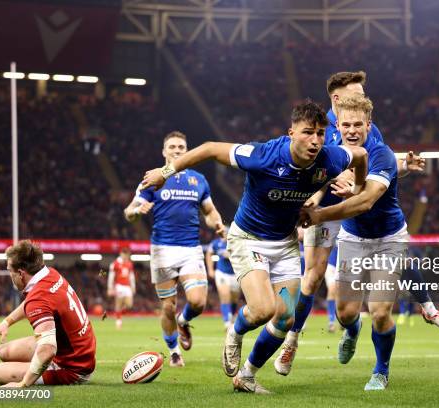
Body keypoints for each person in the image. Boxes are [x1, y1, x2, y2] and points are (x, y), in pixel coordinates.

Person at [141, 100, 368, 394]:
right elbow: (210, 148)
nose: (315, 141)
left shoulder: (330, 158)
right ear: (291, 133)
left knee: (286, 318)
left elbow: (360, 156)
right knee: (262, 310)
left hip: (285, 242)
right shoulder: (263, 155)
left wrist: (357, 190)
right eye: (307, 133)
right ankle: (235, 332)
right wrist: (165, 171)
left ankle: (247, 376)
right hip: (248, 238)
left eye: (321, 134)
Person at [275, 71, 439, 376]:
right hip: (328, 208)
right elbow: (308, 166)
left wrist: (402, 166)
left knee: (391, 248)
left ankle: (426, 310)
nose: (362, 98)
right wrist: (314, 195)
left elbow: (380, 170)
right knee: (311, 277)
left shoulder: (370, 132)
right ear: (337, 99)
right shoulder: (319, 129)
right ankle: (292, 341)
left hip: (356, 210)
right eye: (357, 94)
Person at [298, 94, 416, 390]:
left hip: (389, 239)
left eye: (358, 125)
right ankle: (352, 331)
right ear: (338, 125)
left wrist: (318, 215)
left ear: (369, 125)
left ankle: (380, 370)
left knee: (379, 311)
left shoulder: (382, 155)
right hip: (353, 239)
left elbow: (364, 202)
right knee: (346, 314)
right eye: (346, 125)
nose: (352, 131)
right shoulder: (332, 154)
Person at [124, 130, 225, 367]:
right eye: (172, 147)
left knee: (198, 302)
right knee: (168, 307)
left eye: (181, 147)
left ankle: (184, 321)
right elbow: (130, 210)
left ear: (186, 151)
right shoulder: (153, 178)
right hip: (162, 250)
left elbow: (209, 211)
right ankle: (174, 352)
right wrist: (136, 212)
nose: (177, 151)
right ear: (164, 151)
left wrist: (218, 223)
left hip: (191, 249)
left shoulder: (198, 180)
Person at [0, 240, 96, 386]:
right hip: (79, 350)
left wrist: (23, 384)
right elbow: (33, 302)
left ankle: (46, 370)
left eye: (10, 271)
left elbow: (48, 349)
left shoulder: (37, 298)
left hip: (73, 368)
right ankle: (38, 366)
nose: (10, 276)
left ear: (20, 273)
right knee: (2, 351)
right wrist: (6, 322)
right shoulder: (50, 273)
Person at [206, 227, 240, 330]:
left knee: (234, 298)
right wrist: (210, 270)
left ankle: (232, 316)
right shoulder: (216, 243)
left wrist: (232, 255)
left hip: (235, 274)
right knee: (225, 295)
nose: (225, 234)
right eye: (224, 233)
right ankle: (227, 321)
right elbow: (209, 253)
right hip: (221, 272)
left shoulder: (236, 243)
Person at [107, 247, 136, 329]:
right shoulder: (115, 264)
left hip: (127, 286)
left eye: (127, 255)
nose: (126, 256)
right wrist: (110, 288)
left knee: (129, 305)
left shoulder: (129, 264)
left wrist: (133, 286)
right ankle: (118, 321)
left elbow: (131, 276)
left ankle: (119, 314)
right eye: (125, 254)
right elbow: (111, 276)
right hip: (119, 286)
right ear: (121, 254)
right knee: (118, 304)